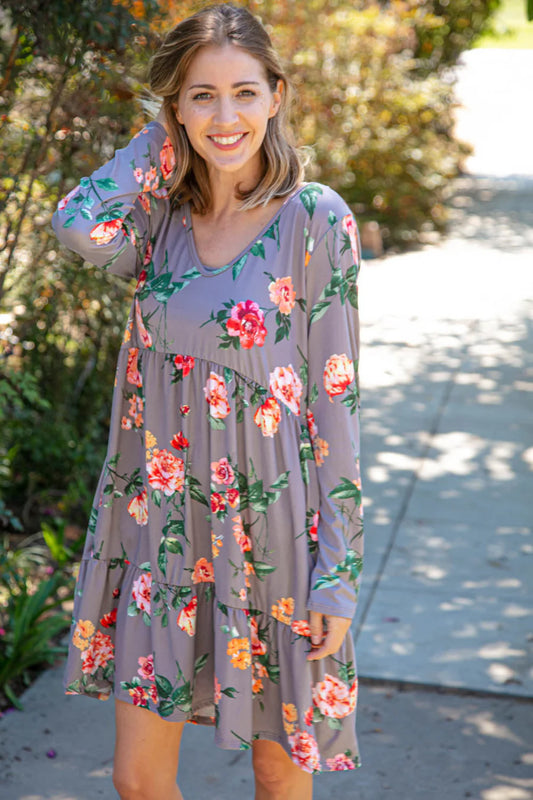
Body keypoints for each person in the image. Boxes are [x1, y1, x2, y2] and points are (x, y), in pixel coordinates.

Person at [52, 5, 363, 799]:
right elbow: (78, 225)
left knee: (276, 775)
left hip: (274, 535)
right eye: (200, 97)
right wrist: (152, 150)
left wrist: (338, 574)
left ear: (276, 96)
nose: (225, 116)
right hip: (158, 526)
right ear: (175, 109)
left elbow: (335, 404)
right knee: (137, 781)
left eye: (243, 93)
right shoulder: (160, 220)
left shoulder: (314, 219)